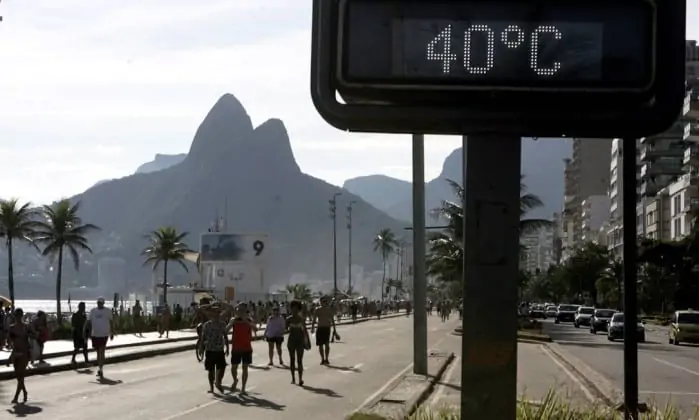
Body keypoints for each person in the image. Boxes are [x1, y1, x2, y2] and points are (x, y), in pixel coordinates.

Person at [228, 305, 255, 394]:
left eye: (242, 311)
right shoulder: (234, 321)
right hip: (236, 347)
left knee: (245, 368)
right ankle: (235, 380)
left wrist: (245, 321)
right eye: (238, 311)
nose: (239, 313)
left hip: (246, 348)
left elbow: (255, 328)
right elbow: (226, 330)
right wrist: (231, 323)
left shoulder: (249, 320)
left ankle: (243, 388)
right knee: (233, 367)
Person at [201, 311, 229, 393]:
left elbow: (225, 336)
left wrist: (227, 347)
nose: (216, 316)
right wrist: (201, 348)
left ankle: (218, 382)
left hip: (219, 349)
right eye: (214, 314)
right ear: (211, 315)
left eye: (217, 314)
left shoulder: (222, 324)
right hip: (210, 349)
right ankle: (211, 387)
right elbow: (203, 336)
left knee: (222, 367)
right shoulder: (207, 325)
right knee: (211, 370)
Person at [87, 297, 114, 379]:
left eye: (101, 302)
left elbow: (111, 322)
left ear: (103, 303)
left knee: (102, 351)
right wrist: (87, 332)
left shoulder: (108, 311)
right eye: (99, 302)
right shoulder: (93, 311)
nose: (100, 304)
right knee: (98, 352)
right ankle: (100, 367)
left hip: (104, 334)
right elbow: (88, 322)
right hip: (95, 334)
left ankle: (101, 369)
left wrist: (112, 332)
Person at [7, 308, 30, 403]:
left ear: (22, 315)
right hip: (15, 353)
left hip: (24, 353)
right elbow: (9, 341)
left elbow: (33, 337)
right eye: (16, 315)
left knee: (21, 376)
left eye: (19, 315)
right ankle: (24, 391)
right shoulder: (12, 328)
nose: (18, 317)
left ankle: (16, 397)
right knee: (18, 376)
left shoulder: (26, 327)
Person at [286, 300, 309, 385]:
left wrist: (307, 341)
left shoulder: (301, 319)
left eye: (296, 308)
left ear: (299, 309)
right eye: (292, 308)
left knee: (299, 361)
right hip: (291, 341)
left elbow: (305, 331)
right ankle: (293, 378)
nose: (294, 310)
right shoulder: (288, 319)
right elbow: (285, 329)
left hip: (300, 341)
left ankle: (300, 379)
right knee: (292, 360)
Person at [311, 296, 336, 365]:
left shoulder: (329, 310)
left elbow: (332, 320)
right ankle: (322, 359)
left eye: (325, 302)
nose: (324, 303)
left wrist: (334, 329)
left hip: (326, 328)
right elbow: (314, 319)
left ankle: (326, 358)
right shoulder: (318, 309)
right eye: (322, 301)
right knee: (320, 345)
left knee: (327, 344)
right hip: (320, 328)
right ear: (320, 302)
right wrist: (312, 327)